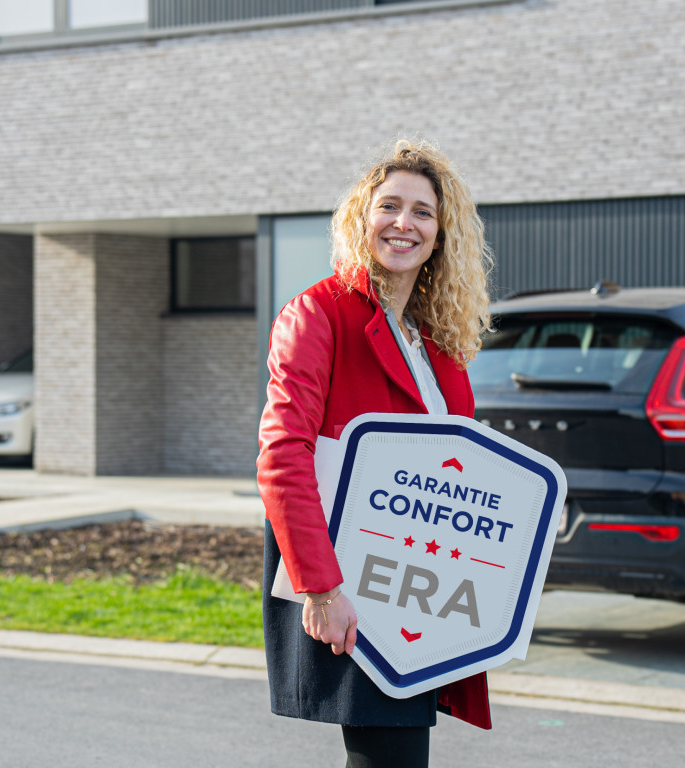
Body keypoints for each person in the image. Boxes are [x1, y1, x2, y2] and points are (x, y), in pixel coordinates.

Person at [257, 139, 494, 768]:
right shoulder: (318, 313)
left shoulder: (434, 340)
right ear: (362, 217)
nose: (404, 223)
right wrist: (322, 587)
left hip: (415, 588)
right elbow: (284, 455)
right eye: (389, 205)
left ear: (441, 235)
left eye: (423, 212)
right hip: (349, 578)